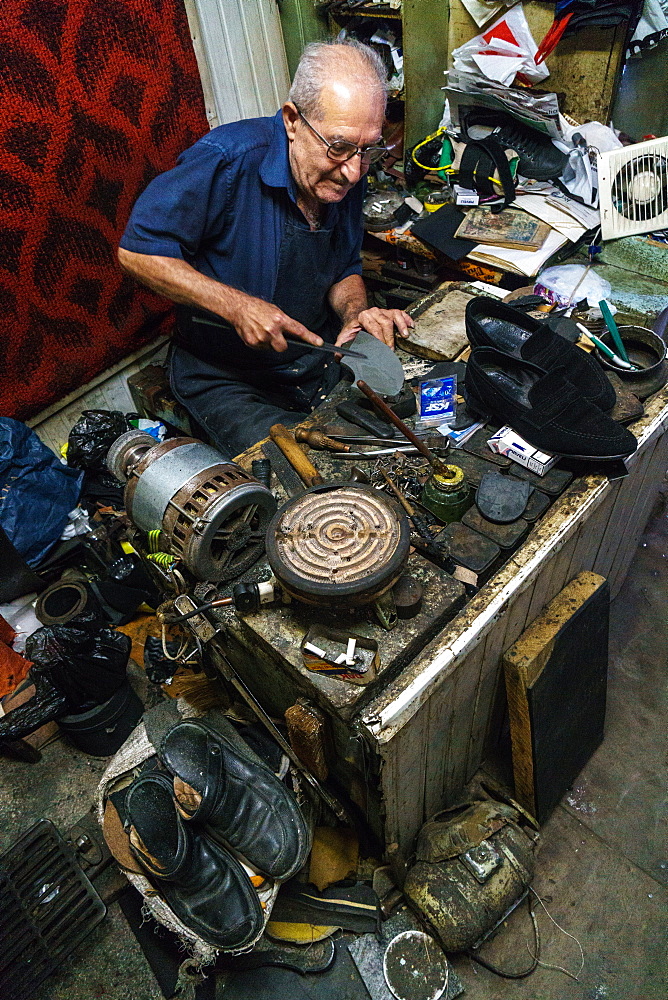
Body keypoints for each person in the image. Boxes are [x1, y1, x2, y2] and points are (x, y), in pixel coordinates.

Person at [118, 39, 414, 459]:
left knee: (388, 446)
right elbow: (138, 252)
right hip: (227, 377)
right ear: (293, 121)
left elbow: (343, 265)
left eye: (368, 149)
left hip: (314, 359)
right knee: (302, 482)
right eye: (340, 147)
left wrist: (355, 315)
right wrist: (236, 306)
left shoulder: (348, 167)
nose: (353, 170)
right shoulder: (227, 160)